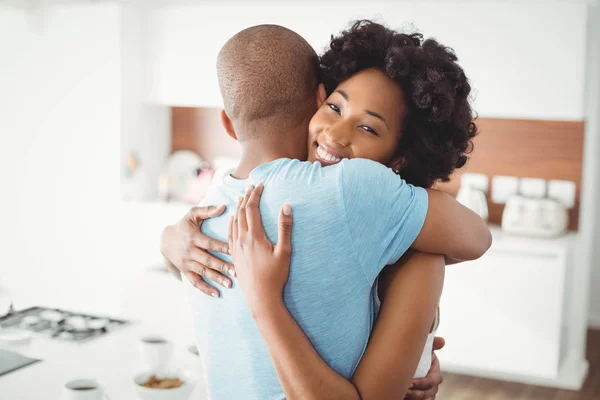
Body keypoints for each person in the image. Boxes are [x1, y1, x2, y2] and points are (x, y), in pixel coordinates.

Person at [161, 22, 490, 400]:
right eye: (334, 107)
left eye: (368, 127)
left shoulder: (220, 196)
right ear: (319, 98)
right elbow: (476, 238)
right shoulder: (342, 198)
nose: (335, 134)